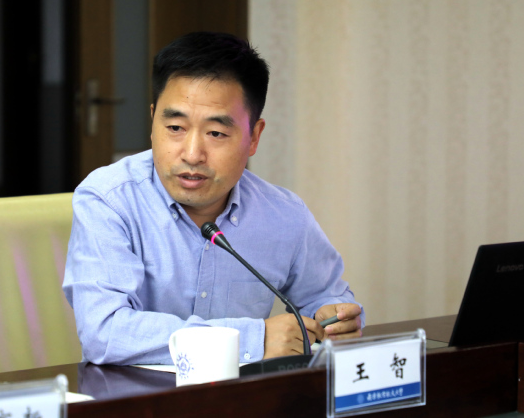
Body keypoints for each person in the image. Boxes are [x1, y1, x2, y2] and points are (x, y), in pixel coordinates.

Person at [63, 31, 363, 366]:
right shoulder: (109, 200)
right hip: (138, 394)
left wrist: (334, 319)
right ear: (153, 121)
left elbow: (326, 297)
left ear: (253, 137)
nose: (192, 154)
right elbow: (104, 332)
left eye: (216, 133)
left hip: (244, 394)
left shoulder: (283, 214)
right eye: (175, 128)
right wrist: (252, 339)